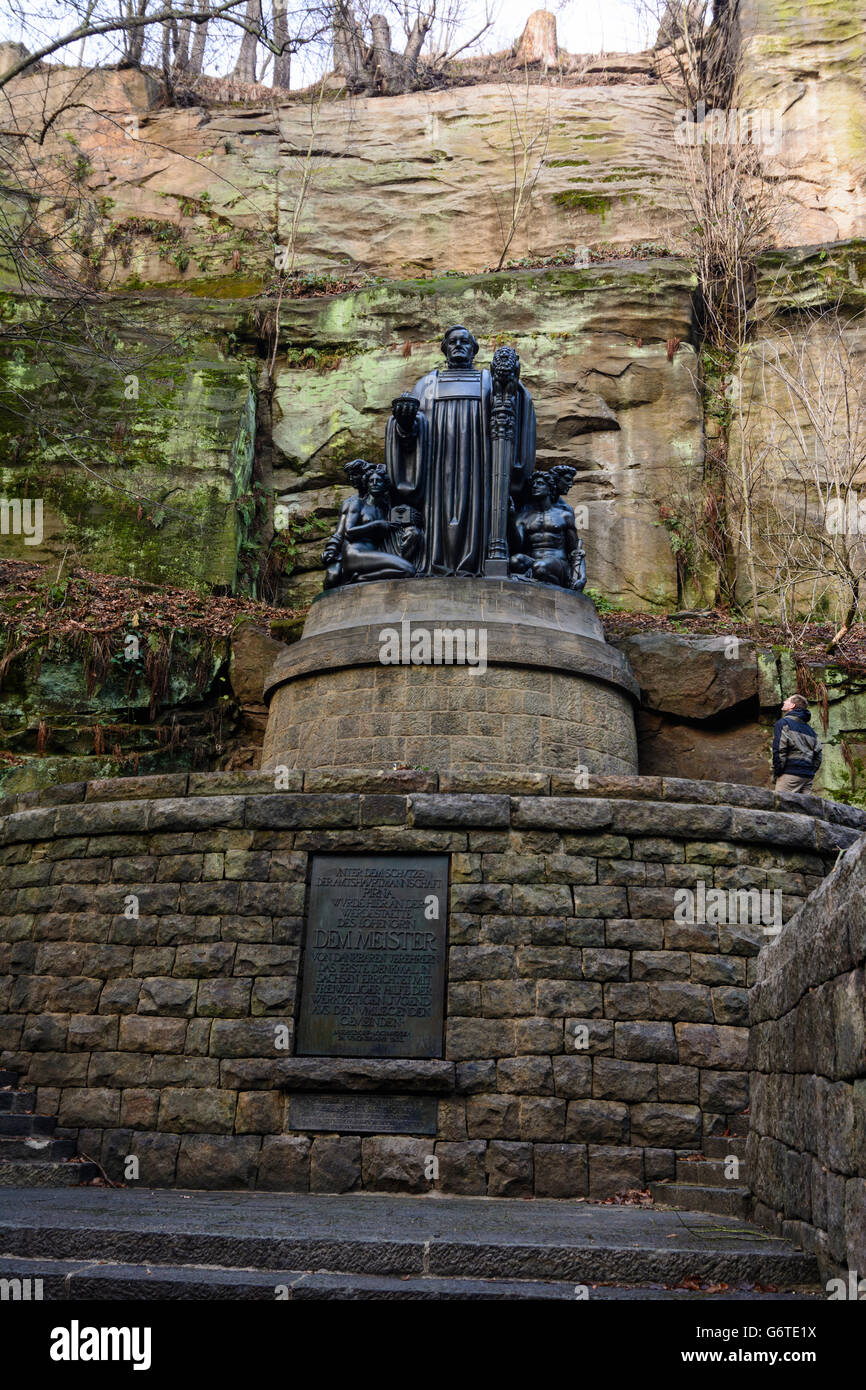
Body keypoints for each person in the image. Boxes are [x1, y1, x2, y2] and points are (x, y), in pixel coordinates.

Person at [385, 325, 536, 577]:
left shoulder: (487, 381)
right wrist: (404, 423)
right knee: (439, 518)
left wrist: (512, 383)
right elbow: (412, 431)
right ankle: (435, 563)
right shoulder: (427, 385)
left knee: (477, 513)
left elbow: (511, 406)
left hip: (479, 466)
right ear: (444, 348)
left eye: (465, 342)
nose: (458, 345)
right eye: (453, 341)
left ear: (474, 350)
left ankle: (476, 563)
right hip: (437, 468)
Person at [772, 694, 822, 793]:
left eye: (787, 700)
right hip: (807, 777)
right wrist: (809, 771)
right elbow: (818, 756)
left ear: (792, 706)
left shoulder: (783, 723)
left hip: (790, 775)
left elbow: (779, 750)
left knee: (780, 806)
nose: (784, 702)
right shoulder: (810, 730)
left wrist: (777, 772)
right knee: (802, 808)